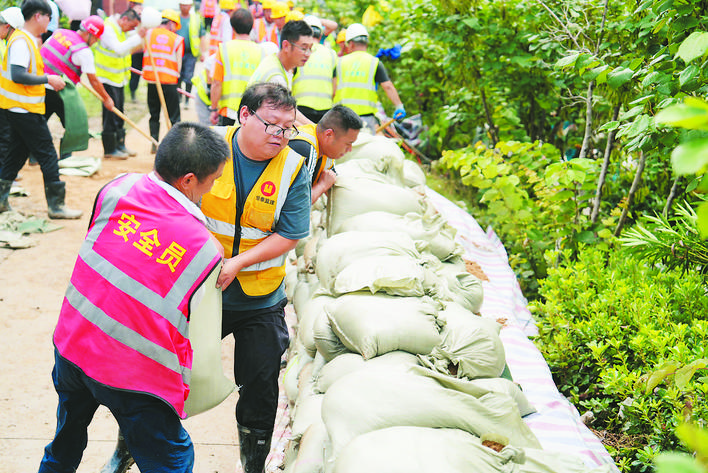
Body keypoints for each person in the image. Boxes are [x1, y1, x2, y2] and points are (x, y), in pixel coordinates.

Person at [37, 122, 229, 473]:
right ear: (188, 180)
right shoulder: (203, 247)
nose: (211, 188)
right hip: (132, 374)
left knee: (65, 441)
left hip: (72, 345)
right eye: (213, 180)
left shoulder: (117, 188)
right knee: (173, 459)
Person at [201, 82, 310, 473]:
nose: (280, 136)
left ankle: (253, 465)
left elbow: (293, 232)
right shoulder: (206, 146)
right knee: (160, 371)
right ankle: (130, 448)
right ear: (244, 115)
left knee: (261, 387)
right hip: (197, 295)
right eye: (272, 125)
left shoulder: (294, 165)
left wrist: (238, 263)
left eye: (288, 127)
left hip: (258, 299)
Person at [0, 0, 83, 219]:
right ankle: (57, 206)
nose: (50, 22)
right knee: (47, 155)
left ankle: (0, 200)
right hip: (24, 109)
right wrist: (48, 79)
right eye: (48, 17)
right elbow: (18, 75)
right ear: (39, 16)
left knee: (16, 155)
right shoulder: (21, 41)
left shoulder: (25, 40)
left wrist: (47, 81)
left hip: (19, 108)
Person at [40, 15, 114, 161]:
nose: (95, 42)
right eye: (96, 39)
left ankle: (34, 156)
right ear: (89, 34)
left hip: (39, 84)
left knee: (40, 120)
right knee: (74, 124)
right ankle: (65, 157)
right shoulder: (83, 51)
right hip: (59, 90)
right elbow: (93, 80)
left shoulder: (60, 33)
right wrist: (107, 99)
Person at [334, 23, 405, 132]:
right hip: (366, 119)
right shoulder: (374, 63)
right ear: (366, 43)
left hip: (343, 117)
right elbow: (388, 86)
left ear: (351, 44)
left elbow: (333, 90)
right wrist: (399, 106)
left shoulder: (339, 62)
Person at [93, 7, 145, 160]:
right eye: (132, 26)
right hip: (107, 79)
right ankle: (109, 148)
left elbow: (129, 42)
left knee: (120, 112)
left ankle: (120, 144)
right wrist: (138, 36)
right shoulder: (109, 28)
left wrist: (140, 35)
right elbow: (119, 49)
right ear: (124, 20)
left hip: (118, 78)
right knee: (110, 114)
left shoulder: (121, 28)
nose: (132, 30)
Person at [288, 104, 361, 203]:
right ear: (329, 135)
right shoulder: (305, 148)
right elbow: (298, 204)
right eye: (348, 144)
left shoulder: (326, 150)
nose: (350, 149)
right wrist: (322, 186)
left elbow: (331, 180)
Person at [209, 8, 264, 126]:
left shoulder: (224, 49)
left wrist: (214, 109)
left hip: (228, 111)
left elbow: (217, 83)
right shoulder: (261, 52)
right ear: (251, 27)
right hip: (252, 113)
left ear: (232, 28)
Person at [143, 9, 184, 150]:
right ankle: (175, 145)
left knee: (154, 114)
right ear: (171, 23)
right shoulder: (177, 40)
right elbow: (178, 66)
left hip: (152, 81)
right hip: (169, 82)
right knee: (173, 116)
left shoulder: (148, 34)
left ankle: (154, 142)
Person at [292, 15, 336, 123]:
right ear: (321, 35)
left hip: (301, 108)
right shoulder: (331, 54)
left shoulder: (298, 51)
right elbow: (335, 87)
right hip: (325, 109)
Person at [177, 0, 206, 109]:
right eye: (182, 5)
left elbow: (201, 36)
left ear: (190, 6)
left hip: (190, 53)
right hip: (178, 53)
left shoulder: (196, 19)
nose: (184, 7)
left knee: (189, 77)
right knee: (178, 75)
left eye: (186, 5)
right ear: (180, 6)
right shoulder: (176, 18)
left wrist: (202, 53)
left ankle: (186, 99)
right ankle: (179, 96)